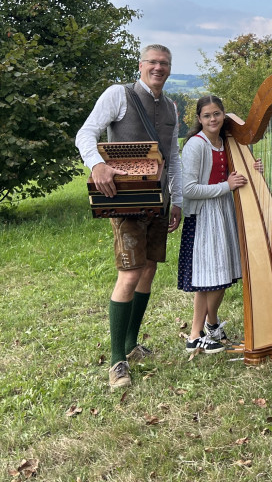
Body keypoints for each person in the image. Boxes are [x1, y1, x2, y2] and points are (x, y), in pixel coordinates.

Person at [76, 44, 183, 390]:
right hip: (125, 202)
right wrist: (97, 165)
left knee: (149, 269)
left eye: (164, 63)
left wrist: (177, 200)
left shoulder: (170, 107)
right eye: (153, 62)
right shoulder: (118, 95)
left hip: (159, 201)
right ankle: (116, 361)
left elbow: (174, 158)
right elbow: (85, 134)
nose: (158, 68)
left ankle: (131, 345)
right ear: (141, 65)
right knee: (129, 273)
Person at [178, 96, 246, 355]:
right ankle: (195, 336)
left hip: (223, 211)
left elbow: (233, 174)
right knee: (210, 277)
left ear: (224, 114)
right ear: (199, 119)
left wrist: (253, 169)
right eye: (207, 115)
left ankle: (212, 324)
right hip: (204, 215)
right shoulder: (197, 145)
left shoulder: (225, 143)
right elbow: (188, 189)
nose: (213, 119)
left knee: (221, 275)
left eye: (217, 113)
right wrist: (225, 187)